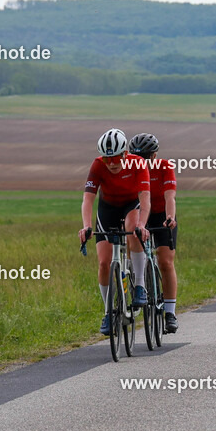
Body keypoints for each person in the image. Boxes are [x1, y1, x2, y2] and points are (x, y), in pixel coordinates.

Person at [78, 128, 151, 336]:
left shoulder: (138, 163)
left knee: (133, 228)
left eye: (115, 158)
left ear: (125, 154)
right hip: (108, 208)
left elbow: (145, 197)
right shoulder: (98, 165)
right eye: (107, 158)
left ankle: (139, 286)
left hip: (131, 205)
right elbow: (88, 198)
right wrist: (86, 225)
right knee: (103, 263)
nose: (111, 163)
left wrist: (143, 225)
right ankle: (109, 312)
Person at [129, 133, 178, 333]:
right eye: (138, 157)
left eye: (146, 157)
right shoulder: (130, 169)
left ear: (155, 155)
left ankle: (169, 312)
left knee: (165, 261)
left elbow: (170, 197)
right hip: (140, 214)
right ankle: (136, 286)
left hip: (161, 215)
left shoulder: (165, 167)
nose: (142, 162)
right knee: (132, 246)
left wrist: (170, 217)